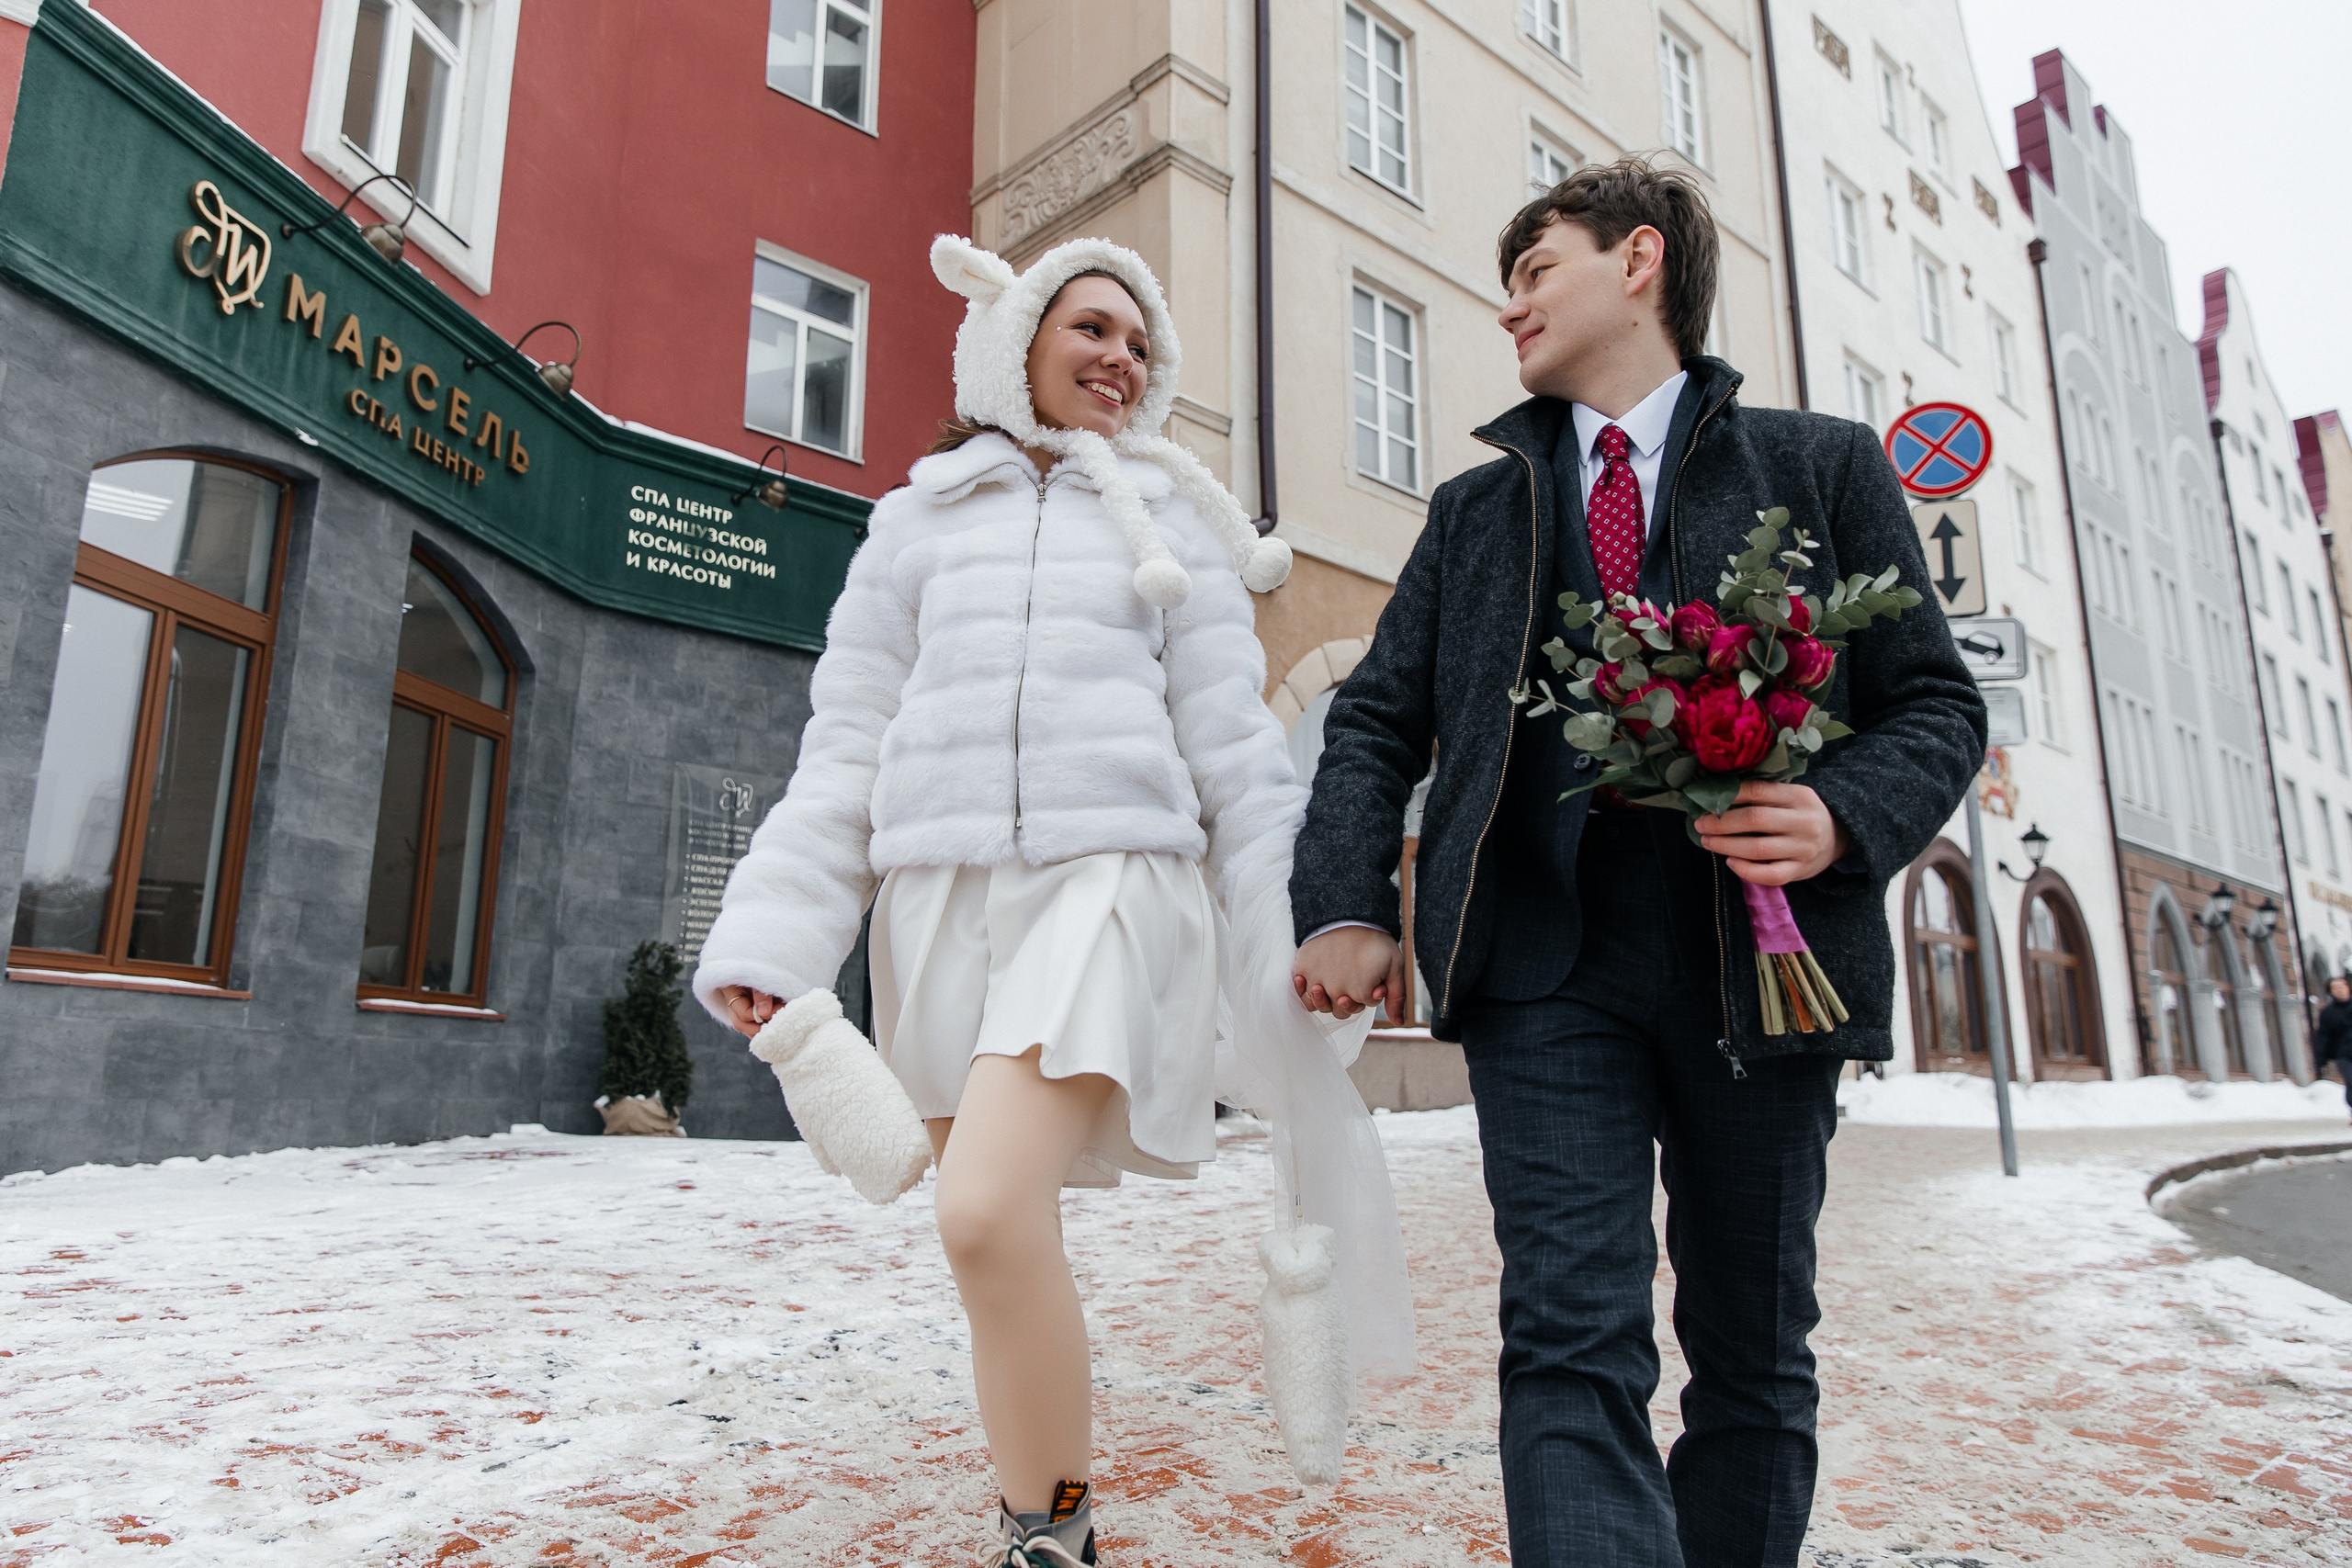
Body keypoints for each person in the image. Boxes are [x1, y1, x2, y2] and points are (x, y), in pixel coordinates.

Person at [1289, 157, 1985, 1566]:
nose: (1512, 306)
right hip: (1545, 958)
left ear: (1640, 260)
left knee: (1750, 1337)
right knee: (1567, 1329)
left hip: (1768, 966)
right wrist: (1348, 900)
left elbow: (1935, 702)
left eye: (1535, 267)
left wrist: (1843, 812)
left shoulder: (1823, 463)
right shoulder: (1479, 513)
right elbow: (1373, 718)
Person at [690, 235, 1411, 1566]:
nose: (1119, 357)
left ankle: (1047, 1530)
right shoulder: (913, 522)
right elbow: (847, 745)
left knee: (977, 1203)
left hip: (1111, 890)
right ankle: (1050, 1526)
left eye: (1138, 342)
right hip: (943, 903)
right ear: (1015, 340)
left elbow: (1238, 759)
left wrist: (1295, 924)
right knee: (994, 1236)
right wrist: (780, 939)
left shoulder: (1175, 520)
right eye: (1091, 327)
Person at [2316, 975, 2352, 1120]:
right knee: (2351, 1080)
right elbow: (2323, 1035)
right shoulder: (2328, 1013)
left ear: (2348, 988)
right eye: (2336, 988)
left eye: (2342, 987)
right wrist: (2321, 1057)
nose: (2340, 990)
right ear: (2331, 992)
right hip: (2343, 1054)